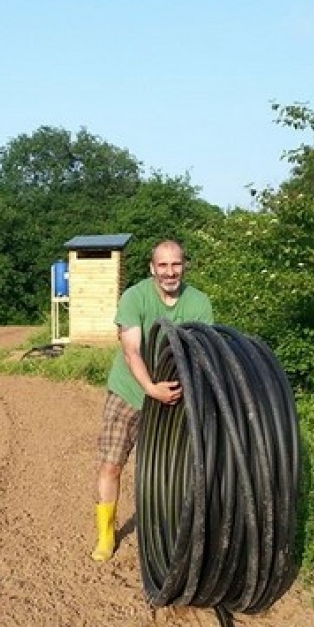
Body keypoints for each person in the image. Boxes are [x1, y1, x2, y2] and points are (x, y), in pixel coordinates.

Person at [92, 239, 214, 562]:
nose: (170, 272)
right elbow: (131, 350)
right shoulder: (135, 297)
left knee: (173, 470)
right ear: (152, 268)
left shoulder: (199, 302)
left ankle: (172, 531)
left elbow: (202, 353)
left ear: (184, 266)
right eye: (163, 265)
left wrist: (180, 393)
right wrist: (150, 388)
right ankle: (106, 534)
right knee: (111, 464)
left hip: (174, 395)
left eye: (176, 265)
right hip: (132, 391)